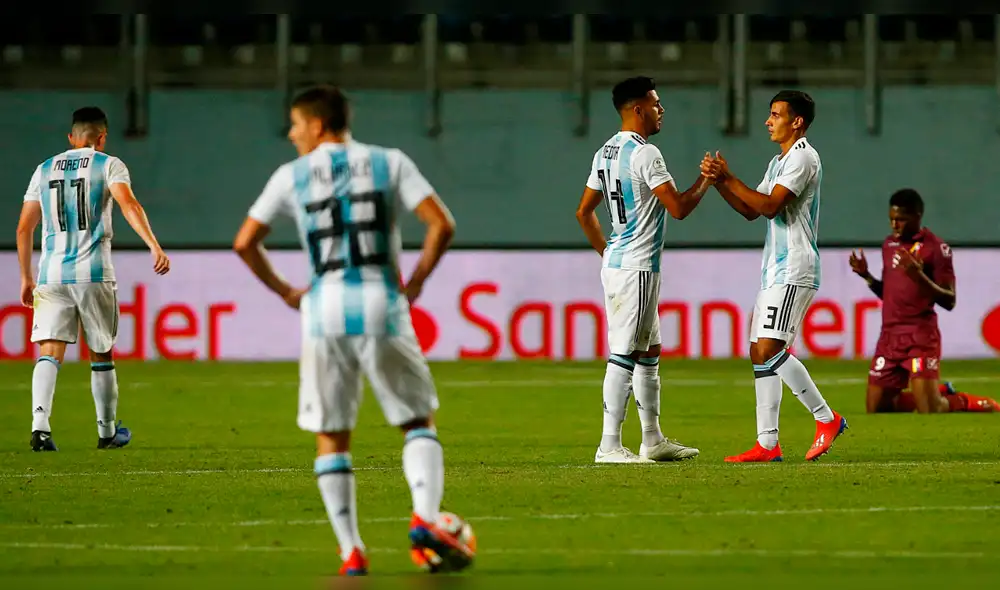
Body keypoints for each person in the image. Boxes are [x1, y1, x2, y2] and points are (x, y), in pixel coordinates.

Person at [233, 85, 473, 577]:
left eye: (296, 125)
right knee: (416, 422)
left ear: (318, 125)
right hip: (382, 302)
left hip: (323, 310)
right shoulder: (389, 162)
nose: (293, 134)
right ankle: (427, 519)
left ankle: (352, 552)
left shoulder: (291, 176)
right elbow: (441, 224)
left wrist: (285, 291)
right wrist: (417, 282)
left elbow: (245, 242)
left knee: (332, 437)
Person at [702, 90, 848, 463]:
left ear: (796, 121)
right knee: (758, 352)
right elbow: (751, 210)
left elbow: (769, 206)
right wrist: (720, 183)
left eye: (775, 114)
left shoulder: (803, 157)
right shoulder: (779, 161)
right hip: (774, 268)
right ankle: (767, 443)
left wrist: (729, 176)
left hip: (795, 267)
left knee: (770, 349)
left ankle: (826, 419)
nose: (768, 121)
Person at [575, 76, 713, 464]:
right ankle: (608, 445)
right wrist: (707, 178)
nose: (660, 109)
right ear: (638, 109)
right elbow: (679, 207)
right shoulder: (646, 153)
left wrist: (607, 254)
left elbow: (584, 212)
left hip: (627, 263)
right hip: (634, 267)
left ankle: (651, 440)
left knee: (649, 351)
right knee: (623, 353)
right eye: (655, 103)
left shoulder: (604, 152)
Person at [16, 107, 170, 452]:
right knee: (101, 351)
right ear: (102, 137)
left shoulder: (43, 169)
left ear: (71, 138)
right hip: (93, 272)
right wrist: (154, 245)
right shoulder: (108, 164)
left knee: (49, 350)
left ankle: (40, 429)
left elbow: (25, 227)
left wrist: (26, 276)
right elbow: (128, 203)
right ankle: (106, 432)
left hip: (51, 273)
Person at [849, 188, 999, 413]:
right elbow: (889, 294)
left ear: (917, 216)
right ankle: (937, 390)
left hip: (920, 336)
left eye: (901, 220)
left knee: (931, 409)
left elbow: (949, 301)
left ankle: (973, 402)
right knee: (877, 408)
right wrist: (867, 277)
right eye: (891, 219)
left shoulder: (936, 249)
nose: (894, 225)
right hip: (889, 337)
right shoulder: (889, 245)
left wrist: (918, 276)